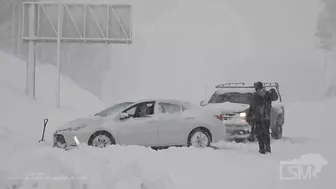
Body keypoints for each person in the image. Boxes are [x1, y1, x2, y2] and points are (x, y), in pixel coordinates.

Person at [247, 81, 278, 154]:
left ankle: (267, 148)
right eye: (257, 89)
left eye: (258, 88)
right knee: (259, 134)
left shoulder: (267, 95)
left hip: (265, 118)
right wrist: (249, 116)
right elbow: (252, 107)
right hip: (257, 118)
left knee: (265, 133)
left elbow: (275, 97)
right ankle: (262, 149)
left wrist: (273, 91)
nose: (258, 90)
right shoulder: (255, 96)